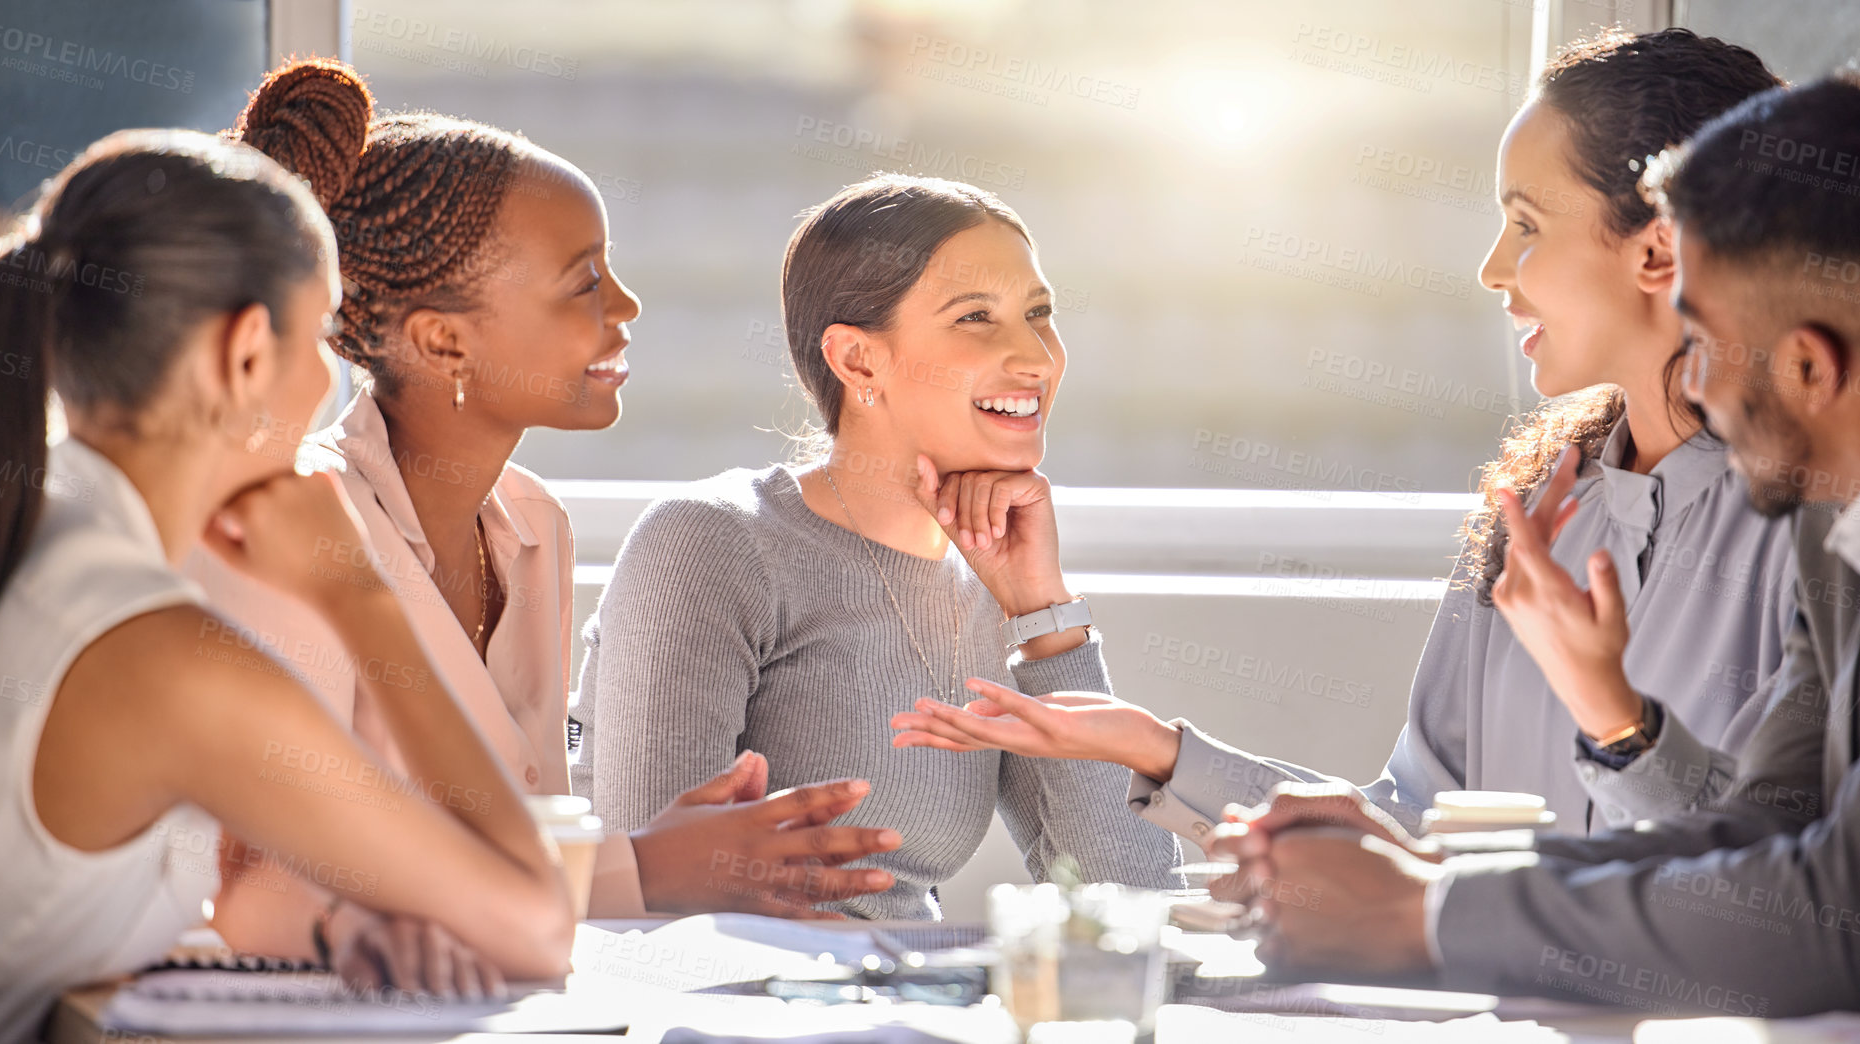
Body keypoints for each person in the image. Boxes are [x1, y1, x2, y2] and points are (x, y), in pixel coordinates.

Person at [891, 28, 1793, 839]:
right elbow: (1422, 823)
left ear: (1658, 250)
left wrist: (1618, 721)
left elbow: (1777, 891)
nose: (1489, 269)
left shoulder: (1813, 537)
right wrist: (1159, 751)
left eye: (1524, 224)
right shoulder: (1534, 510)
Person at [194, 60, 900, 970]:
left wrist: (650, 860)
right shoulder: (302, 525)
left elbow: (506, 858)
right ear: (443, 340)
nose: (627, 307)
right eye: (583, 283)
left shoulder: (532, 527)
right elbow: (274, 893)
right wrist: (643, 868)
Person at [1211, 70, 1860, 1018]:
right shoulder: (1830, 540)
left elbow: (1828, 918)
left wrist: (1427, 915)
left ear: (1807, 364)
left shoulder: (1787, 530)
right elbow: (1755, 837)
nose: (1700, 391)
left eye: (1705, 339)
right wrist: (1431, 881)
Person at [0, 128, 582, 1041]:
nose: (330, 378)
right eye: (323, 332)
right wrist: (358, 594)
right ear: (246, 354)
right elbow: (535, 925)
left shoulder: (26, 530)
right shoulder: (162, 656)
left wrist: (345, 920)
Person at [579, 173, 1180, 919]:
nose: (1035, 357)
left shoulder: (994, 591)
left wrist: (1043, 613)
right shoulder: (711, 542)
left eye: (1038, 313)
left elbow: (1126, 901)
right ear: (858, 361)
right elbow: (657, 898)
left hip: (914, 1007)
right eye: (975, 318)